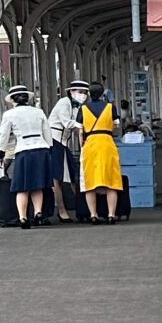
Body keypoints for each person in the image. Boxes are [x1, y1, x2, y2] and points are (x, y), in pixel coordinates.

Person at [0, 83, 53, 229]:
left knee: (22, 187)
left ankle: (22, 218)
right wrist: (49, 147)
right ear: (27, 98)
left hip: (23, 150)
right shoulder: (38, 112)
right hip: (41, 149)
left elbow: (3, 135)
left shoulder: (9, 114)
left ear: (13, 100)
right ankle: (38, 212)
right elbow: (47, 131)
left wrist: (0, 154)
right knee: (37, 184)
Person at [80, 83, 123, 223]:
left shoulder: (83, 109)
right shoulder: (111, 107)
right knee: (111, 181)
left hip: (90, 145)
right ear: (102, 93)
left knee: (90, 182)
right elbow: (116, 126)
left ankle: (93, 215)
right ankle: (111, 215)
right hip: (107, 143)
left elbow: (80, 131)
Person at [44, 82, 87, 223]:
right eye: (80, 92)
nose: (83, 95)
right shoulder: (64, 103)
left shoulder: (77, 106)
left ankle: (81, 208)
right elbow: (67, 122)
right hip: (54, 141)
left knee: (72, 174)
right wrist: (85, 125)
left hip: (63, 142)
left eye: (85, 92)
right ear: (71, 92)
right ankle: (62, 211)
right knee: (57, 177)